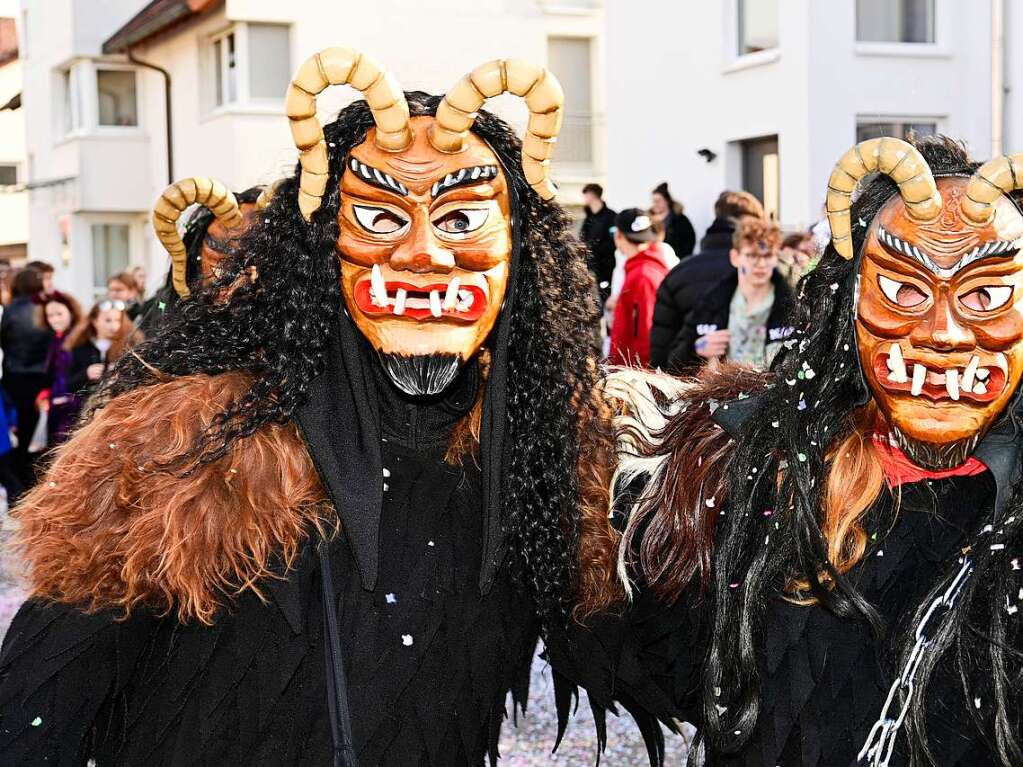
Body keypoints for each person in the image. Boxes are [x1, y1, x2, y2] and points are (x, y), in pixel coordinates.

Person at [0, 50, 650, 765]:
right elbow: (50, 689)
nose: (422, 254)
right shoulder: (190, 440)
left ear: (519, 252)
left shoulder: (539, 451)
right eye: (377, 217)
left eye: (462, 219)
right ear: (320, 248)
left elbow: (647, 653)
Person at [573, 136, 1023, 766]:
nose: (943, 332)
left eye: (985, 295)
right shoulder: (761, 475)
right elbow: (679, 663)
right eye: (903, 291)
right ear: (850, 307)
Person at [649, 190, 764, 370]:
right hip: (758, 388)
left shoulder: (678, 274)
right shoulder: (772, 273)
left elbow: (660, 359)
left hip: (690, 389)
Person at [667, 216, 793, 371]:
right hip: (725, 393)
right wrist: (695, 349)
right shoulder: (712, 302)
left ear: (775, 258)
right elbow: (673, 361)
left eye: (767, 256)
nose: (761, 264)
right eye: (752, 255)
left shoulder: (792, 305)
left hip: (776, 394)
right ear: (735, 257)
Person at [0, 268, 52, 487]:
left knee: (18, 429)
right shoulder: (46, 308)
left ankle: (20, 479)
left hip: (15, 376)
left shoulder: (10, 310)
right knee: (37, 428)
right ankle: (34, 478)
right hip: (42, 376)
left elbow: (3, 341)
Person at [609, 209, 668, 367]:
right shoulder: (646, 267)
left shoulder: (642, 275)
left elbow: (646, 331)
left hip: (636, 374)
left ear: (619, 236)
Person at [36, 292, 83, 445]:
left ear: (71, 311)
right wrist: (46, 391)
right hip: (57, 400)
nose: (54, 319)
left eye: (59, 314)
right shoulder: (56, 337)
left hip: (73, 403)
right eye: (50, 315)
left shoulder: (79, 338)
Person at [579, 182, 617, 307]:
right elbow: (582, 240)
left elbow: (613, 242)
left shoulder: (611, 217)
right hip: (590, 269)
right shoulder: (589, 218)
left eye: (586, 195)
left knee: (607, 302)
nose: (584, 199)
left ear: (592, 195)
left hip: (607, 269)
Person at [650, 181, 695, 258]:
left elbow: (690, 240)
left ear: (667, 201)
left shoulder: (680, 220)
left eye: (658, 200)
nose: (655, 204)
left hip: (677, 262)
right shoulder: (648, 220)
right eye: (654, 201)